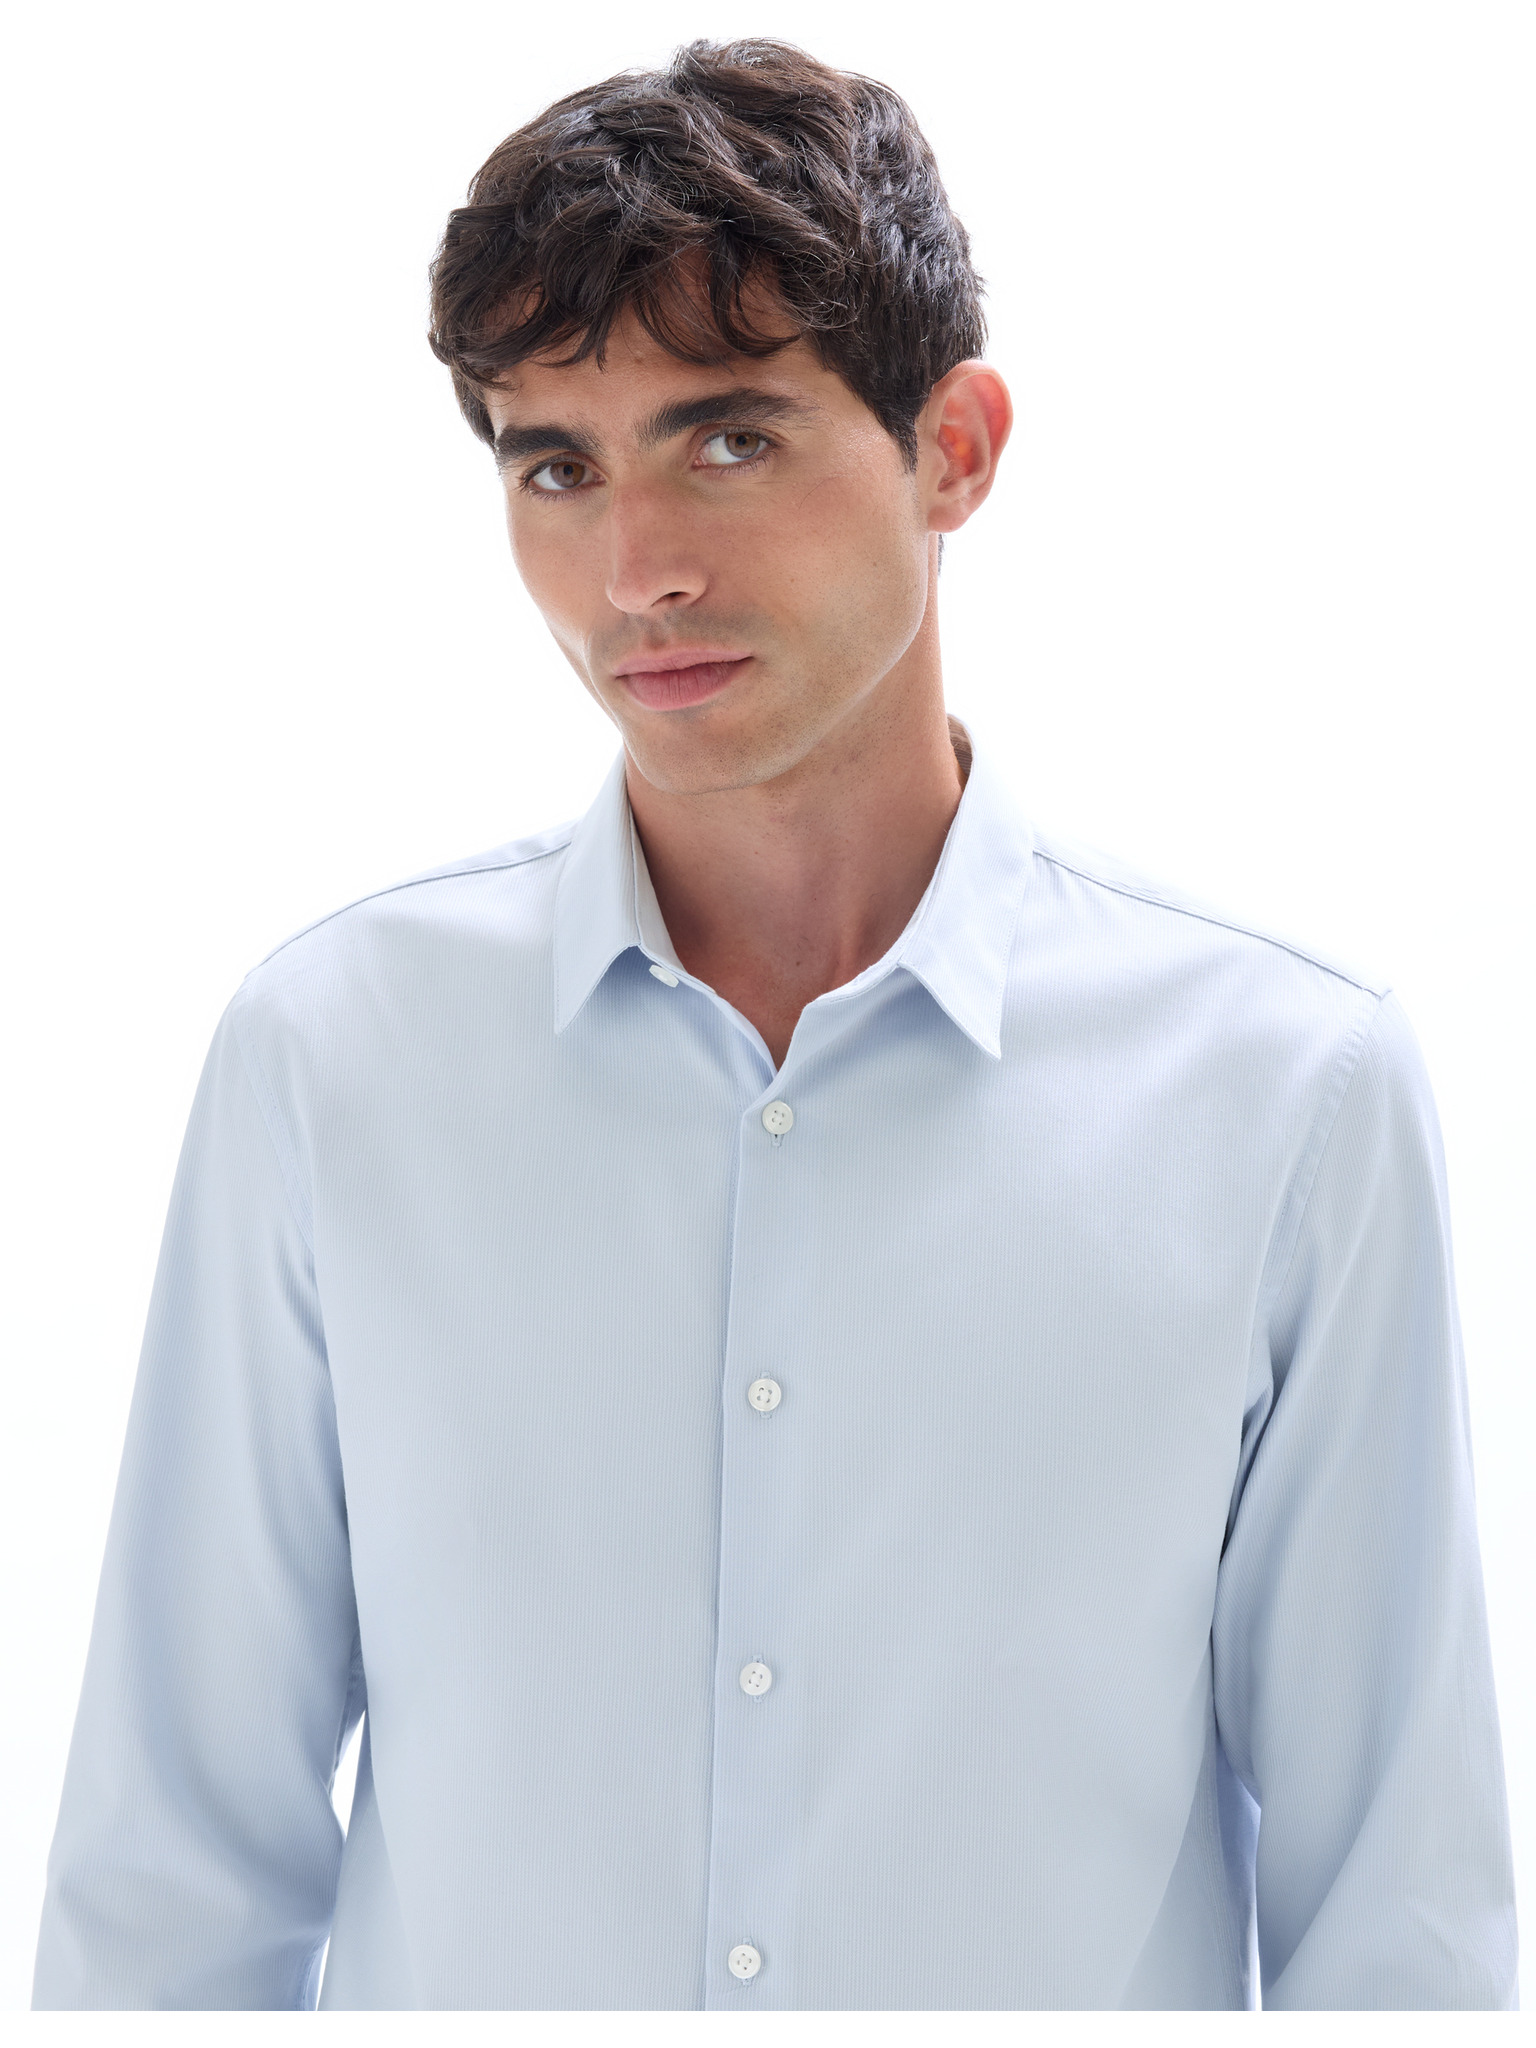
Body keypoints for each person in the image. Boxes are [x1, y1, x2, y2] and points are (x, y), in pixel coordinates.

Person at [33, 36, 1517, 2012]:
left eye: (728, 440)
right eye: (555, 466)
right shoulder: (333, 1060)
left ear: (955, 449)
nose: (636, 570)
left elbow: (1401, 1941)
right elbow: (167, 1905)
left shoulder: (1288, 1090)